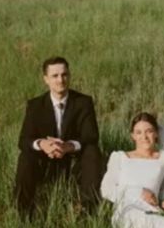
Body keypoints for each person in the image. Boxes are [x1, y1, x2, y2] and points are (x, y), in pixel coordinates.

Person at [14, 56, 104, 217]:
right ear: (46, 79)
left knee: (92, 152)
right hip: (45, 163)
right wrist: (42, 144)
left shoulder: (83, 102)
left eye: (64, 75)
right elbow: (24, 140)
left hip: (73, 163)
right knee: (25, 157)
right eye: (55, 76)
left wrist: (68, 146)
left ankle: (88, 211)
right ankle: (23, 213)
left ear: (69, 75)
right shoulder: (35, 105)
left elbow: (91, 136)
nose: (60, 80)